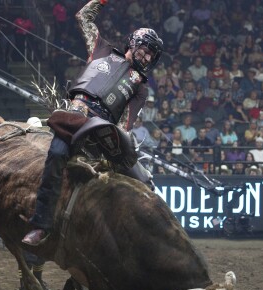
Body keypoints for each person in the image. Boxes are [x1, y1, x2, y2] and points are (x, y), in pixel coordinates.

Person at [22, 0, 163, 246]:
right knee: (56, 155)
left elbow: (126, 123)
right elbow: (83, 17)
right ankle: (41, 226)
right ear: (134, 42)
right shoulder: (103, 49)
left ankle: (146, 233)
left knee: (141, 181)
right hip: (75, 114)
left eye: (151, 54)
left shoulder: (140, 87)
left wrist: (118, 141)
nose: (147, 56)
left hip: (102, 128)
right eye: (145, 48)